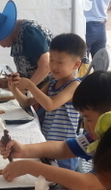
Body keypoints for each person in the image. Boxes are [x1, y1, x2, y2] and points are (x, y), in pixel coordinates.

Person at [7, 33, 85, 170]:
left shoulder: (74, 85)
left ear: (76, 64)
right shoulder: (51, 84)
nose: (53, 66)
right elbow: (27, 102)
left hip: (65, 150)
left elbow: (50, 105)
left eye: (60, 62)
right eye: (51, 60)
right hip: (47, 145)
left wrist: (31, 85)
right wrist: (14, 89)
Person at [0, 1, 52, 89]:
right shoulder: (15, 36)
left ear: (5, 32)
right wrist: (6, 82)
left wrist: (26, 89)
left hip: (49, 91)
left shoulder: (29, 32)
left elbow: (46, 66)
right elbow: (26, 71)